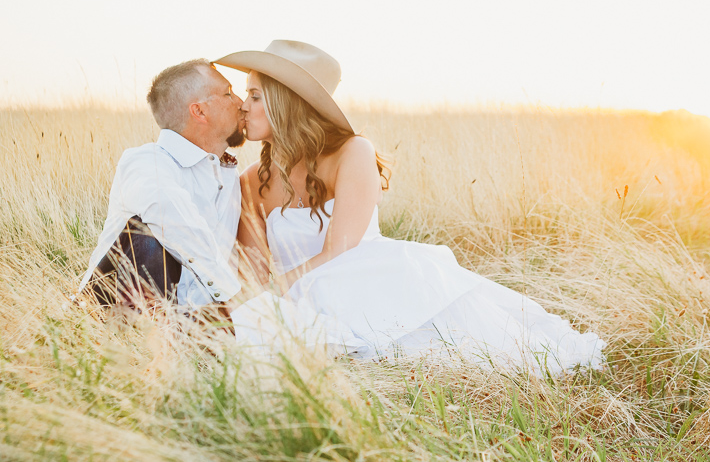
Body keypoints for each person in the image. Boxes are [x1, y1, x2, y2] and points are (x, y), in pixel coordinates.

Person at [216, 41, 605, 374]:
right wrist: (249, 305)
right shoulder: (251, 180)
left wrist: (273, 294)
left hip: (373, 283)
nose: (243, 107)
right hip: (297, 300)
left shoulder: (352, 153)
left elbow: (340, 250)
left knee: (483, 350)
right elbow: (253, 272)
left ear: (288, 103)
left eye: (254, 96)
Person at [74, 59, 247, 318]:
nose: (241, 102)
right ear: (199, 111)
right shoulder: (145, 162)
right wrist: (237, 298)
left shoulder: (230, 177)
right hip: (111, 330)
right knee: (148, 234)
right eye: (228, 93)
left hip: (193, 331)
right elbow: (170, 216)